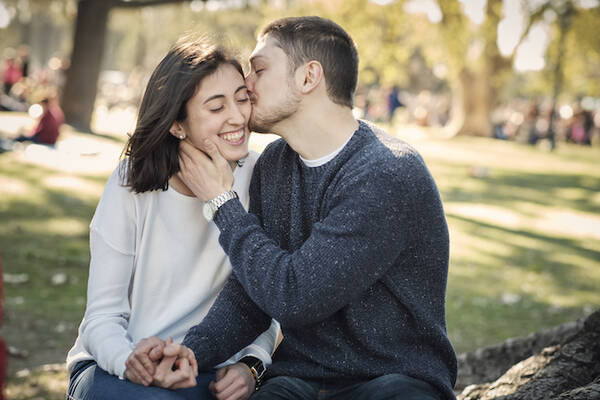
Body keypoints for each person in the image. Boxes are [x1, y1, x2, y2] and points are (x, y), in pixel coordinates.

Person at [175, 16, 457, 400]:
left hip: (392, 381)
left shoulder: (386, 172)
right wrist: (189, 355)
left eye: (259, 70)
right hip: (298, 381)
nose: (246, 84)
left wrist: (223, 203)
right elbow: (252, 296)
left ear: (308, 77)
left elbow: (294, 297)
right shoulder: (274, 164)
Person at [66, 37, 280, 400]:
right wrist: (130, 362)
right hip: (117, 366)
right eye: (217, 107)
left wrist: (252, 364)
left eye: (242, 98)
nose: (238, 117)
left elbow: (269, 291)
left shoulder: (261, 175)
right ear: (177, 124)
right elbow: (102, 317)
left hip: (211, 371)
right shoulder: (130, 183)